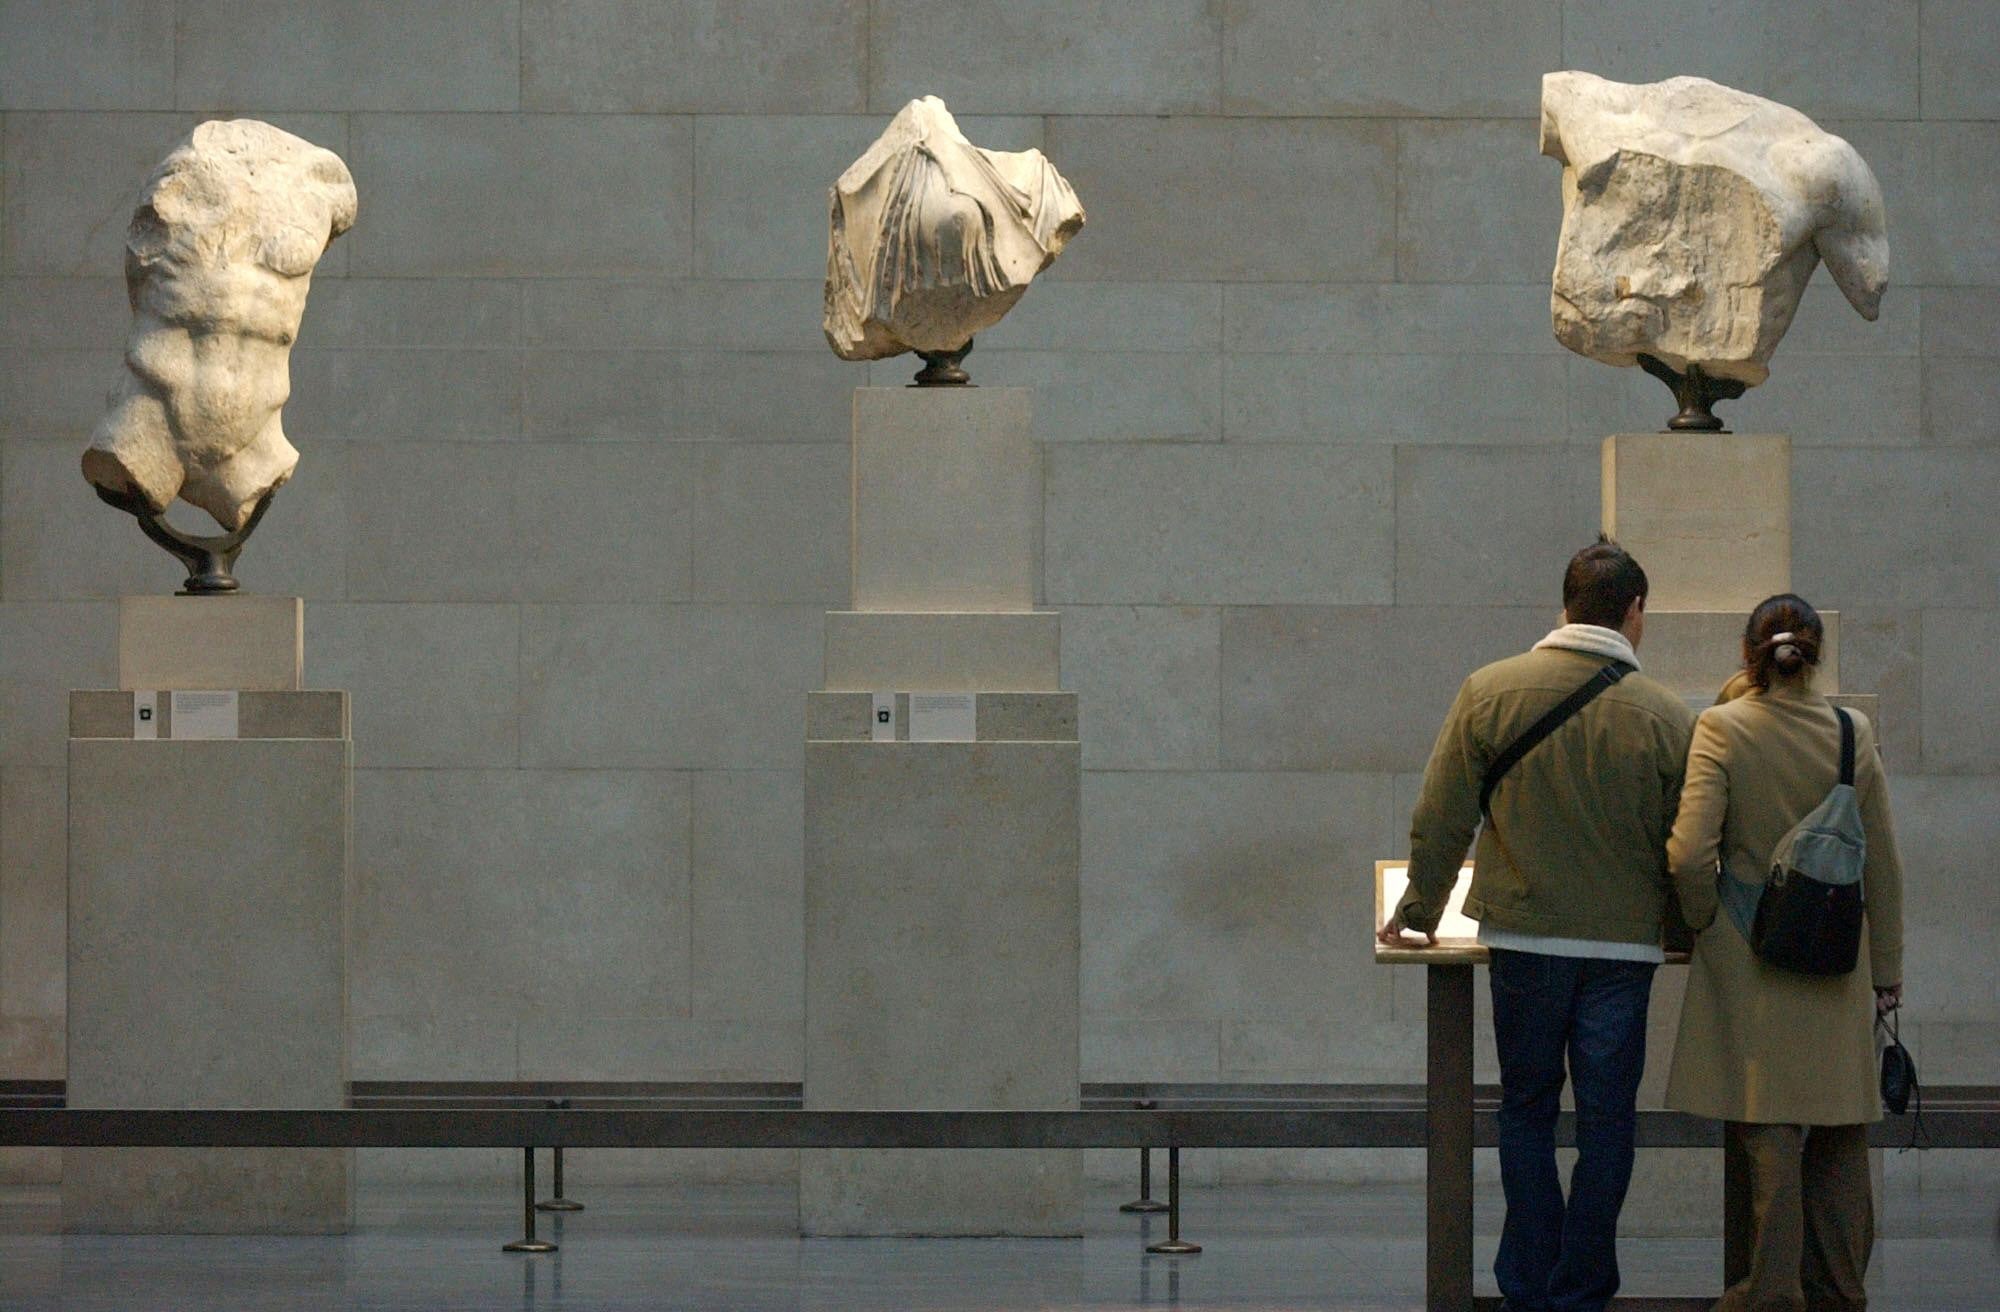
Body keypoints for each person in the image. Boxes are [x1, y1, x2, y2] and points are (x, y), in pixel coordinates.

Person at [1379, 537, 1696, 1312]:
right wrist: (1690, 925)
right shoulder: (1666, 715)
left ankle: (1528, 1281)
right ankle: (1582, 1286)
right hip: (1623, 948)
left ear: (1564, 604)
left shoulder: (1490, 690)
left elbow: (1442, 812)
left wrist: (1417, 909)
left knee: (1524, 1109)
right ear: (1635, 613)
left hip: (1524, 939)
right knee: (1607, 1121)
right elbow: (1689, 840)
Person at [1664, 594, 1904, 1312]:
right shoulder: (1849, 732)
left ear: (1750, 654)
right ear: (1815, 653)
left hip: (1750, 960)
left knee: (1769, 1144)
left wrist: (1709, 924)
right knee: (1839, 1140)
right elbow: (1883, 864)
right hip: (1834, 961)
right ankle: (1841, 1293)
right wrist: (1886, 971)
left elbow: (1686, 855)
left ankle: (1767, 1297)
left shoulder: (1722, 729)